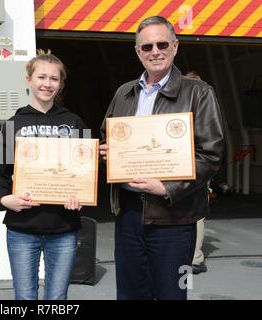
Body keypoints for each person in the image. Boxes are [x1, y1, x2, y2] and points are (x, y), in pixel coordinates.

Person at [99, 16, 224, 299]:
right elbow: (107, 136)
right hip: (129, 215)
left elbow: (211, 154)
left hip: (175, 219)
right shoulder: (124, 93)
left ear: (175, 46)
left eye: (161, 44)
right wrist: (108, 153)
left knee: (173, 294)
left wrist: (168, 187)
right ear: (138, 52)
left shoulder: (199, 93)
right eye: (146, 47)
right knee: (130, 294)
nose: (155, 51)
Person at [0, 50, 87, 300]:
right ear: (29, 80)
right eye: (41, 77)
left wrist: (82, 196)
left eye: (54, 79)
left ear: (61, 84)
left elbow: (88, 171)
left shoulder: (75, 123)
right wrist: (3, 200)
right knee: (25, 298)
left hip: (64, 227)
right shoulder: (11, 124)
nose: (47, 84)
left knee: (57, 299)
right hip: (22, 228)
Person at [185, 71, 208, 275]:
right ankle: (196, 258)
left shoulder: (180, 110)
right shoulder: (204, 110)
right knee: (197, 214)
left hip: (184, 167)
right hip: (197, 169)